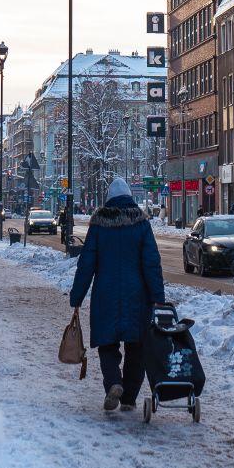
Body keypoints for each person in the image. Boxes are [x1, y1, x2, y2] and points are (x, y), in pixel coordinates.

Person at [69, 177, 165, 413]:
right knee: (137, 346)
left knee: (107, 344)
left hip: (105, 295)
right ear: (130, 196)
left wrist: (77, 297)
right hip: (137, 296)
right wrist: (157, 295)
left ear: (109, 198)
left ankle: (113, 383)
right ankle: (130, 397)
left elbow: (87, 263)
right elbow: (151, 262)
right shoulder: (141, 224)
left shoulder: (99, 224)